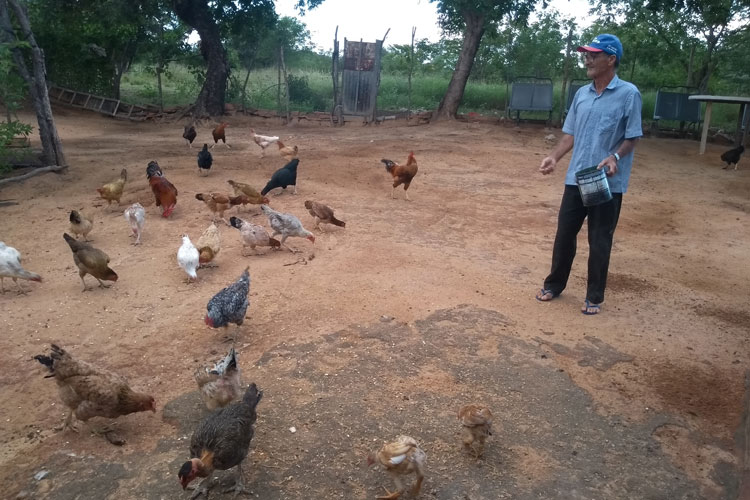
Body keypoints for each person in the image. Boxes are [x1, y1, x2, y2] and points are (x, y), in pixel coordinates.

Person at [536, 34, 642, 315]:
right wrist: (554, 157)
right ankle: (554, 285)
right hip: (576, 178)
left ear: (611, 59)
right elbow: (570, 134)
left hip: (606, 182)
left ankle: (594, 296)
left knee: (599, 239)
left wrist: (615, 156)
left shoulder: (629, 94)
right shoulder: (581, 94)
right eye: (586, 54)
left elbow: (632, 137)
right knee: (564, 235)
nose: (588, 59)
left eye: (594, 55)